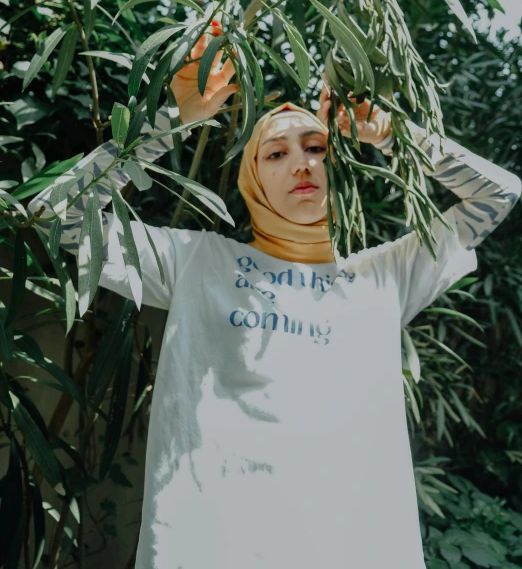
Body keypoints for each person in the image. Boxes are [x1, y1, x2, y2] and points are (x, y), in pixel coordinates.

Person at [28, 28, 521, 569]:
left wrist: (392, 135)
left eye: (315, 148)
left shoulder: (387, 275)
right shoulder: (197, 262)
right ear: (252, 178)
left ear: (339, 166)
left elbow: (500, 193)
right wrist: (171, 119)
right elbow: (59, 216)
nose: (302, 164)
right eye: (276, 153)